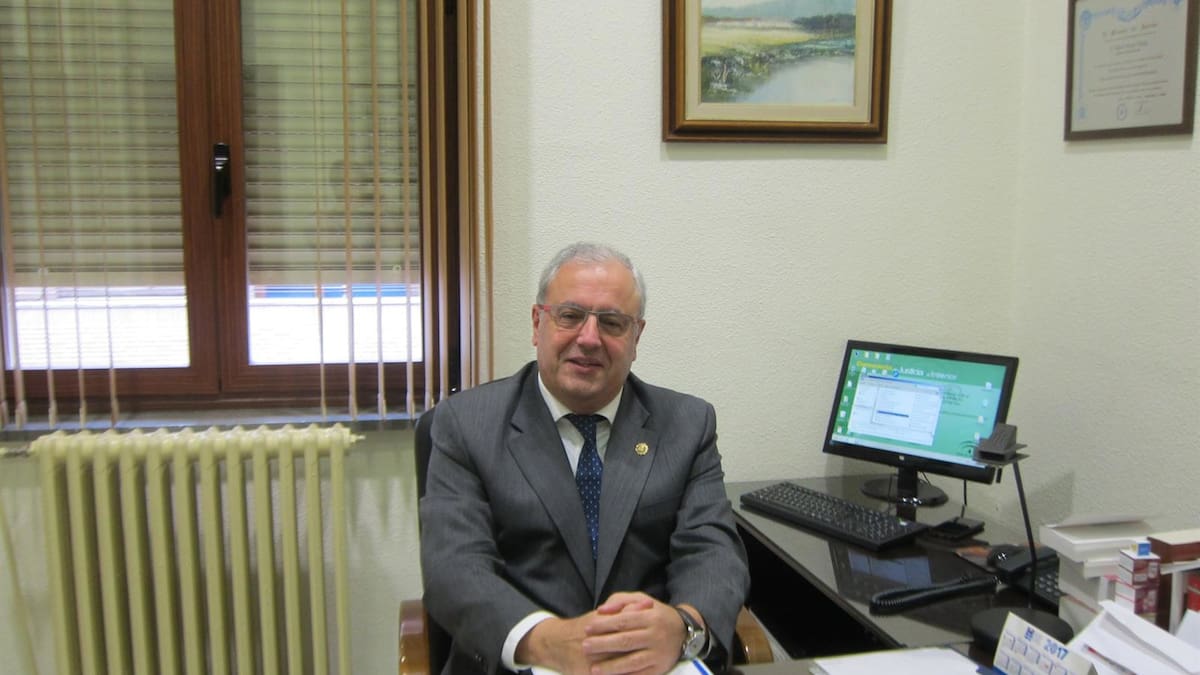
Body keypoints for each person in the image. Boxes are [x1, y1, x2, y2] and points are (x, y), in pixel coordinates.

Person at [420, 242, 750, 674]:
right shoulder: (466, 424)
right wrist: (544, 640)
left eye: (612, 322)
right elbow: (454, 568)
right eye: (570, 316)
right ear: (537, 323)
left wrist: (684, 626)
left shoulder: (687, 424)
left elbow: (713, 552)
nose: (589, 339)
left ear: (636, 337)